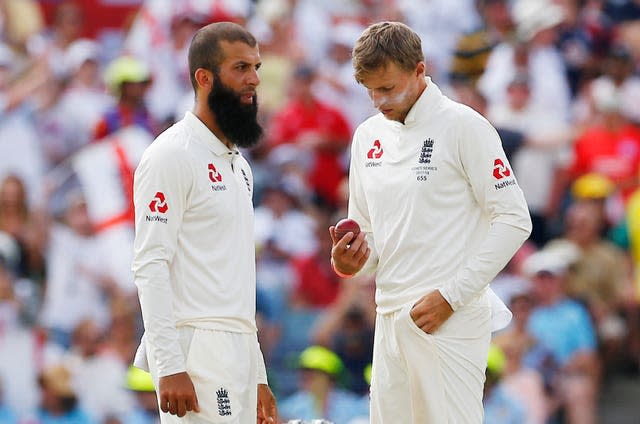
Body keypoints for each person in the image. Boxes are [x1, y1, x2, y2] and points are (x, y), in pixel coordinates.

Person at [330, 22, 532, 423]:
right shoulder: (367, 135)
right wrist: (351, 260)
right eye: (369, 90)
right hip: (387, 318)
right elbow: (366, 233)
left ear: (419, 70)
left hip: (449, 319)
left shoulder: (465, 126)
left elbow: (514, 219)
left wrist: (451, 297)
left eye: (386, 88)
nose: (378, 101)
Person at [131, 22, 277, 423]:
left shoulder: (239, 166)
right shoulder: (170, 155)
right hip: (195, 353)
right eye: (241, 68)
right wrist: (169, 366)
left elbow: (237, 279)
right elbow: (150, 264)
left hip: (240, 350)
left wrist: (258, 373)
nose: (253, 80)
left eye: (256, 67)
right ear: (204, 77)